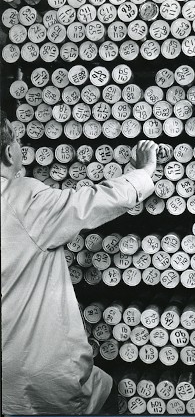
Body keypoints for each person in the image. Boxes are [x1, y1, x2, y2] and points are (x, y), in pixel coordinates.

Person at [1, 113, 158, 415]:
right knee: (103, 395)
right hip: (36, 373)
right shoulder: (21, 198)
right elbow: (92, 201)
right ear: (10, 152)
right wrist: (143, 173)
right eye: (18, 141)